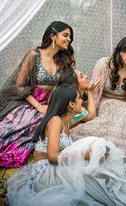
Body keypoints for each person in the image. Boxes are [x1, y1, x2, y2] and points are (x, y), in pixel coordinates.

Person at [7, 84, 126, 206]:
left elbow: (90, 115)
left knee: (92, 161)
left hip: (57, 168)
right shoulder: (55, 121)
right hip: (45, 173)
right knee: (89, 154)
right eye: (79, 98)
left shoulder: (66, 122)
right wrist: (86, 155)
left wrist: (92, 155)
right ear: (71, 104)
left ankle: (125, 195)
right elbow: (52, 157)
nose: (82, 100)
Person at [70, 35, 126, 171]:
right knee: (123, 112)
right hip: (105, 104)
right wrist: (90, 117)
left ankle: (124, 160)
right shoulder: (103, 64)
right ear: (121, 51)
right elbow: (95, 94)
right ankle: (112, 157)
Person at [0, 21, 75, 168]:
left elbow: (63, 88)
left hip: (52, 105)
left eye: (70, 37)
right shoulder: (34, 55)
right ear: (53, 36)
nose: (69, 40)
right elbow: (19, 86)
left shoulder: (63, 60)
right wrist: (38, 106)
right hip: (31, 103)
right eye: (65, 35)